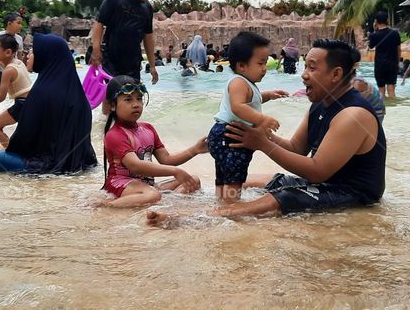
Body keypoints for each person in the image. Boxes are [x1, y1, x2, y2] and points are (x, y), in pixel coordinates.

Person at [148, 39, 386, 225]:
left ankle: (195, 217)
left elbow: (317, 172)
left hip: (352, 193)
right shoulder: (320, 105)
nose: (303, 75)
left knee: (285, 197)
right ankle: (202, 200)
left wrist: (262, 143)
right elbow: (296, 148)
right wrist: (257, 136)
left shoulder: (352, 115)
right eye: (305, 66)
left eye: (312, 68)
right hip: (323, 182)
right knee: (249, 182)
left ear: (335, 74)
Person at [0, 34, 97, 174]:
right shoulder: (78, 94)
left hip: (47, 163)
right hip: (79, 161)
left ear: (46, 56)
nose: (28, 56)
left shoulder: (42, 92)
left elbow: (24, 141)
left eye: (33, 53)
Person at [96, 76, 204, 207]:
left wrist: (195, 150)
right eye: (128, 99)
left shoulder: (148, 128)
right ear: (112, 106)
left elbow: (166, 160)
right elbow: (135, 166)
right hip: (120, 183)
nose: (136, 104)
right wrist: (175, 171)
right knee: (153, 195)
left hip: (146, 186)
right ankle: (107, 205)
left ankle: (164, 205)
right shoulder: (115, 134)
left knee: (193, 180)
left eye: (139, 99)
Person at [207, 32, 289, 204]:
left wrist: (268, 95)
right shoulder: (238, 82)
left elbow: (250, 101)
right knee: (234, 175)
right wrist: (262, 119)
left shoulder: (246, 83)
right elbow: (238, 106)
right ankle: (231, 205)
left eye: (265, 63)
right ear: (242, 66)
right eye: (260, 63)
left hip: (224, 135)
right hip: (230, 135)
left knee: (224, 173)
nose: (265, 68)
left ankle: (221, 201)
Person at [90, 0, 160, 110]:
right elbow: (99, 23)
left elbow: (148, 36)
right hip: (111, 56)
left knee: (132, 94)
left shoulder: (147, 8)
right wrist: (96, 50)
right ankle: (106, 125)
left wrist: (152, 65)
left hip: (133, 60)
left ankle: (127, 127)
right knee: (112, 94)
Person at [0, 34, 32, 147]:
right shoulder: (18, 63)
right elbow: (3, 63)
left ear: (8, 52)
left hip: (21, 105)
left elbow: (1, 96)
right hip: (32, 101)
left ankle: (9, 152)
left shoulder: (8, 71)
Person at [367, 12, 401, 100]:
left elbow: (370, 46)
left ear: (376, 22)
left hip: (380, 65)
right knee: (391, 91)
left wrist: (374, 30)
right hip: (392, 64)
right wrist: (397, 62)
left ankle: (384, 111)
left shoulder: (374, 35)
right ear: (387, 20)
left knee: (381, 92)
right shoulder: (395, 33)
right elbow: (399, 49)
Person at [0, 13, 25, 93]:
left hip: (13, 70)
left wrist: (21, 69)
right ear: (9, 23)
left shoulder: (19, 39)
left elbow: (19, 56)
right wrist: (5, 67)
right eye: (18, 23)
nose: (21, 26)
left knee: (15, 92)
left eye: (21, 24)